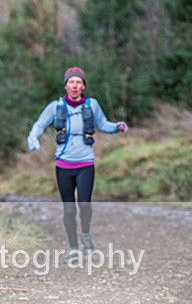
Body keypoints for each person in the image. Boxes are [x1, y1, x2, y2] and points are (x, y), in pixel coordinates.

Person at [27, 67, 128, 262]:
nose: (75, 85)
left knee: (84, 204)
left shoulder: (92, 105)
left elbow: (103, 124)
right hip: (63, 164)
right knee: (69, 208)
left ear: (83, 86)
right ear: (65, 85)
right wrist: (33, 138)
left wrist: (117, 127)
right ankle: (73, 248)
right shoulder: (56, 106)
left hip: (85, 162)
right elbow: (39, 125)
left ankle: (87, 236)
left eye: (78, 82)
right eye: (71, 82)